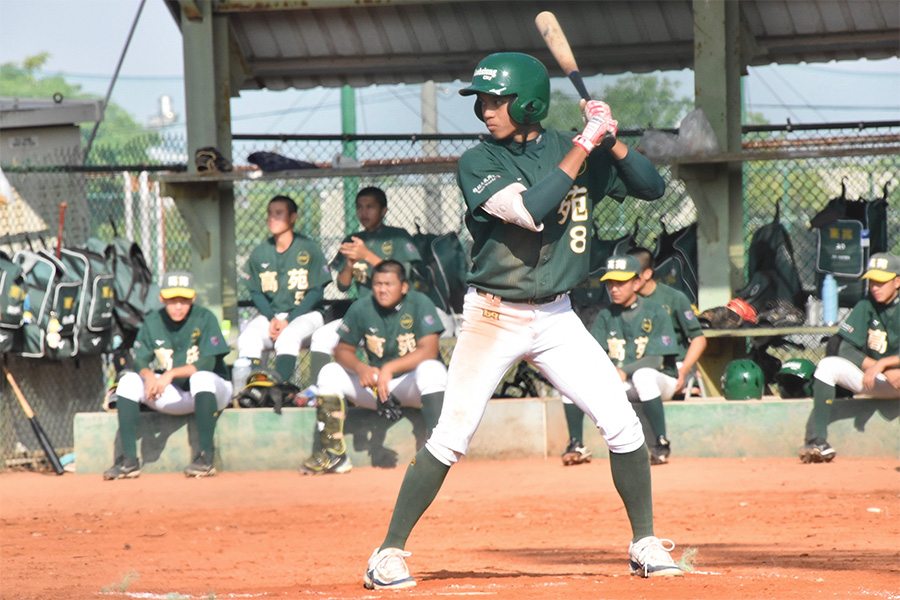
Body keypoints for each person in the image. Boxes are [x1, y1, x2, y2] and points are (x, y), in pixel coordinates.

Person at [363, 52, 682, 590]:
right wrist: (586, 144)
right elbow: (532, 211)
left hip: (558, 315)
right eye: (482, 101)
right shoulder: (478, 161)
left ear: (529, 102)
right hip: (493, 314)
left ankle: (644, 541)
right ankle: (386, 553)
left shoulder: (571, 147)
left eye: (496, 100)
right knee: (451, 436)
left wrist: (612, 139)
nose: (486, 111)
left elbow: (652, 188)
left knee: (623, 424)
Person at [299, 260, 447, 475]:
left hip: (411, 384)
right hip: (377, 388)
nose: (382, 289)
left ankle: (439, 450)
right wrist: (361, 368)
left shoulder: (419, 303)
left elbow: (429, 350)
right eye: (377, 284)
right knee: (329, 372)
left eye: (389, 284)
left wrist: (389, 368)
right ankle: (334, 454)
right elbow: (342, 350)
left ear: (404, 286)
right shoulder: (362, 306)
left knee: (433, 370)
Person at [103, 271, 231, 479]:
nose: (178, 306)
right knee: (127, 381)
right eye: (172, 300)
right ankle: (129, 461)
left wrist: (169, 374)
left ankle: (205, 459)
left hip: (213, 392)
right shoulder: (153, 321)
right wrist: (149, 377)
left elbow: (208, 362)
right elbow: (141, 360)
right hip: (178, 396)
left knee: (201, 377)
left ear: (193, 298)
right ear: (162, 298)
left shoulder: (205, 317)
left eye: (184, 300)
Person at [306, 187, 424, 388]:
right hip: (363, 315)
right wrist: (351, 263)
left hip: (396, 314)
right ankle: (315, 391)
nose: (364, 212)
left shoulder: (398, 237)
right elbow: (342, 286)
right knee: (321, 337)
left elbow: (402, 277)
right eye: (359, 207)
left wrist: (366, 254)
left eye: (370, 207)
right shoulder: (353, 240)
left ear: (383, 211)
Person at [799, 252, 900, 463]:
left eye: (882, 282)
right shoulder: (866, 305)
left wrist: (885, 363)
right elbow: (845, 350)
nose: (875, 287)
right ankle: (818, 441)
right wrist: (879, 368)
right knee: (828, 365)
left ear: (897, 281)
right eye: (872, 281)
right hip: (877, 381)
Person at [590, 255, 681, 465]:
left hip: (662, 381)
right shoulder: (605, 315)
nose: (614, 289)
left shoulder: (656, 311)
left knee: (643, 375)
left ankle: (661, 443)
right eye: (611, 283)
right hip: (624, 383)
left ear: (637, 283)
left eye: (621, 283)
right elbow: (597, 355)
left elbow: (657, 360)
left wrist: (623, 370)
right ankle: (630, 448)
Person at [237, 195, 332, 386]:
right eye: (270, 214)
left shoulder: (309, 248)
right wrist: (272, 318)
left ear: (293, 217)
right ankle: (254, 389)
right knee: (249, 336)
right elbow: (256, 292)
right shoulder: (261, 251)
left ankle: (279, 387)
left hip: (307, 314)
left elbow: (316, 292)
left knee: (288, 336)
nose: (272, 218)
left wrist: (288, 320)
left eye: (279, 213)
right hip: (272, 316)